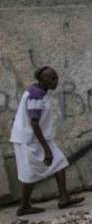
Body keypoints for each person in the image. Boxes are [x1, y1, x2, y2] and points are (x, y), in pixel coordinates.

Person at [10, 67, 84, 216]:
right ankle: (24, 207)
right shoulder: (36, 95)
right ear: (42, 79)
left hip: (38, 139)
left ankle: (64, 198)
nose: (56, 81)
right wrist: (47, 149)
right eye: (52, 78)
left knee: (59, 162)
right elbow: (34, 123)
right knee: (29, 174)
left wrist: (47, 147)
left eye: (56, 77)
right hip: (27, 140)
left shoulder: (40, 91)